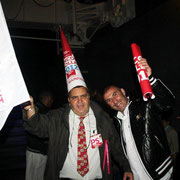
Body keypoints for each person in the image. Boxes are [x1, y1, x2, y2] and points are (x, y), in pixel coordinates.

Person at [22, 86, 133, 180]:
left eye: (83, 96)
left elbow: (116, 146)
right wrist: (29, 109)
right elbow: (37, 126)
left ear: (88, 97)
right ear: (69, 101)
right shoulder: (57, 118)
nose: (80, 100)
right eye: (75, 97)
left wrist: (126, 168)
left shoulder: (102, 118)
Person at [103, 57, 175, 180]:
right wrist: (127, 169)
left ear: (123, 91)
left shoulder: (143, 104)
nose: (114, 101)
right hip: (136, 176)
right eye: (109, 100)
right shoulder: (116, 121)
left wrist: (150, 79)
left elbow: (167, 103)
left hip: (158, 172)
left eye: (115, 94)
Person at [25, 90, 54, 180]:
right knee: (36, 176)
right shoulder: (41, 110)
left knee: (33, 176)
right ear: (48, 99)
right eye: (51, 100)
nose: (52, 102)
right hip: (37, 151)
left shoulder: (39, 108)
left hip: (34, 150)